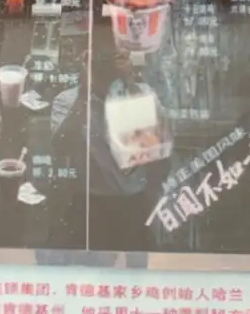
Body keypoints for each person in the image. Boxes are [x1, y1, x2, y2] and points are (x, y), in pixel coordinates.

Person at [51, 47, 168, 251]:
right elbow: (61, 147)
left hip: (134, 203)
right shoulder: (67, 100)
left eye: (112, 57)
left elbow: (151, 154)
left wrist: (128, 85)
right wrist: (84, 94)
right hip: (88, 203)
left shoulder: (143, 95)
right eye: (98, 58)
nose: (104, 64)